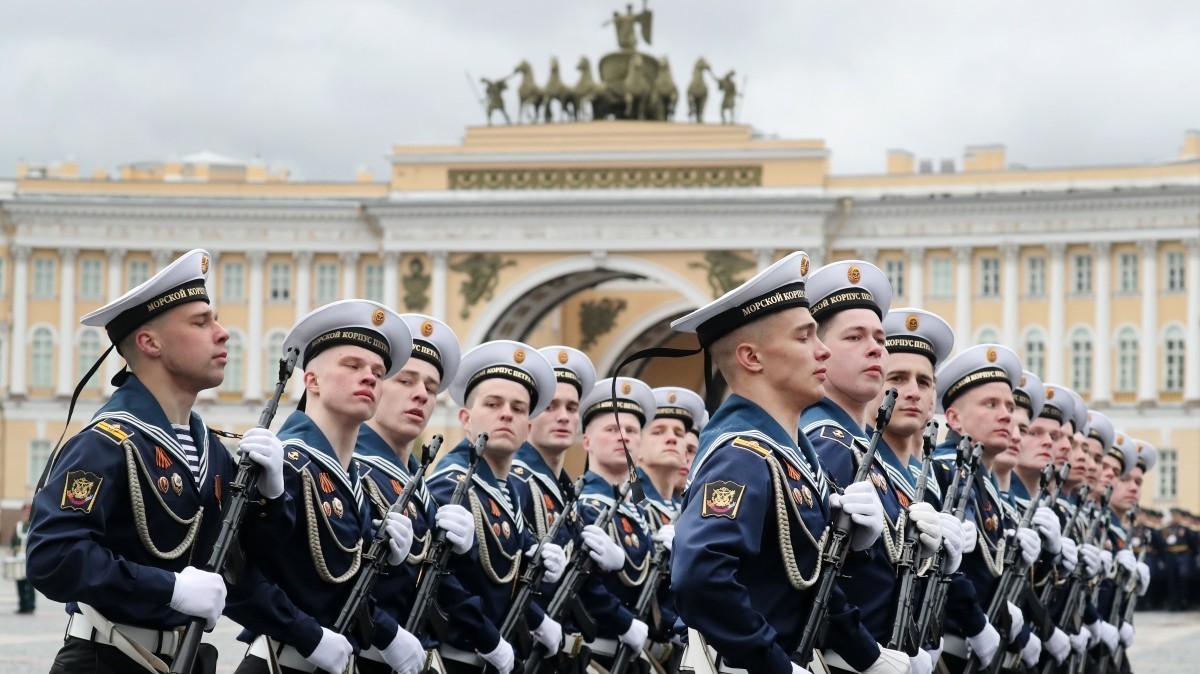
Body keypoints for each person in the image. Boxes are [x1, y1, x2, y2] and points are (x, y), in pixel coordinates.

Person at [26, 249, 287, 673]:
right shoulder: (107, 443)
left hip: (184, 660)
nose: (223, 334)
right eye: (201, 322)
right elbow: (52, 556)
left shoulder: (211, 450)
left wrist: (272, 500)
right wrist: (168, 588)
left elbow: (242, 568)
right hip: (106, 660)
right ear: (150, 342)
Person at [670, 251, 899, 674]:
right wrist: (772, 664)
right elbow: (700, 580)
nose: (823, 352)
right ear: (752, 358)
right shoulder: (741, 455)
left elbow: (807, 586)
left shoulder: (789, 455)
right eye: (805, 337)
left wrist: (870, 657)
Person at [231, 299, 422, 674]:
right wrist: (305, 633)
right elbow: (236, 574)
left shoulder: (356, 482)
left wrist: (391, 570)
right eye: (352, 365)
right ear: (311, 380)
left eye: (378, 372)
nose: (369, 377)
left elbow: (334, 583)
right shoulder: (285, 463)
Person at [799, 262, 943, 674]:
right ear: (819, 351)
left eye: (879, 338)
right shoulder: (824, 442)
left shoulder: (863, 449)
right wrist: (869, 654)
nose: (876, 348)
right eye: (855, 337)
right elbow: (809, 575)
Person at [353, 313, 483, 674]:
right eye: (405, 380)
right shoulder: (352, 465)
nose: (421, 394)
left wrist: (463, 554)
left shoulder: (418, 482)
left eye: (430, 385)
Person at [428, 340, 566, 674]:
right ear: (465, 418)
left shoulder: (508, 491)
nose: (507, 413)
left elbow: (504, 580)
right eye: (493, 404)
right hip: (461, 659)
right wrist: (489, 640)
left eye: (519, 409)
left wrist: (536, 618)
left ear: (528, 429)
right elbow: (443, 583)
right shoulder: (453, 483)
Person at [929, 344, 1043, 673]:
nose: (1007, 415)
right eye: (990, 404)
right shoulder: (949, 470)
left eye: (1008, 405)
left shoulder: (980, 476)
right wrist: (978, 624)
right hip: (954, 650)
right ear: (954, 419)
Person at [575, 377, 669, 670]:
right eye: (612, 429)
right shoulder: (584, 504)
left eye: (631, 430)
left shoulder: (643, 512)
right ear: (587, 441)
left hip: (637, 656)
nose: (624, 437)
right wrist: (623, 621)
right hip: (595, 655)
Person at [11, 502, 34, 614]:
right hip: (19, 558)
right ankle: (22, 606)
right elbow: (13, 541)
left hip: (30, 559)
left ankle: (31, 606)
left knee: (30, 584)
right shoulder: (18, 526)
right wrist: (15, 548)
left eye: (28, 513)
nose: (26, 514)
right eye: (25, 512)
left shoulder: (34, 526)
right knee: (20, 584)